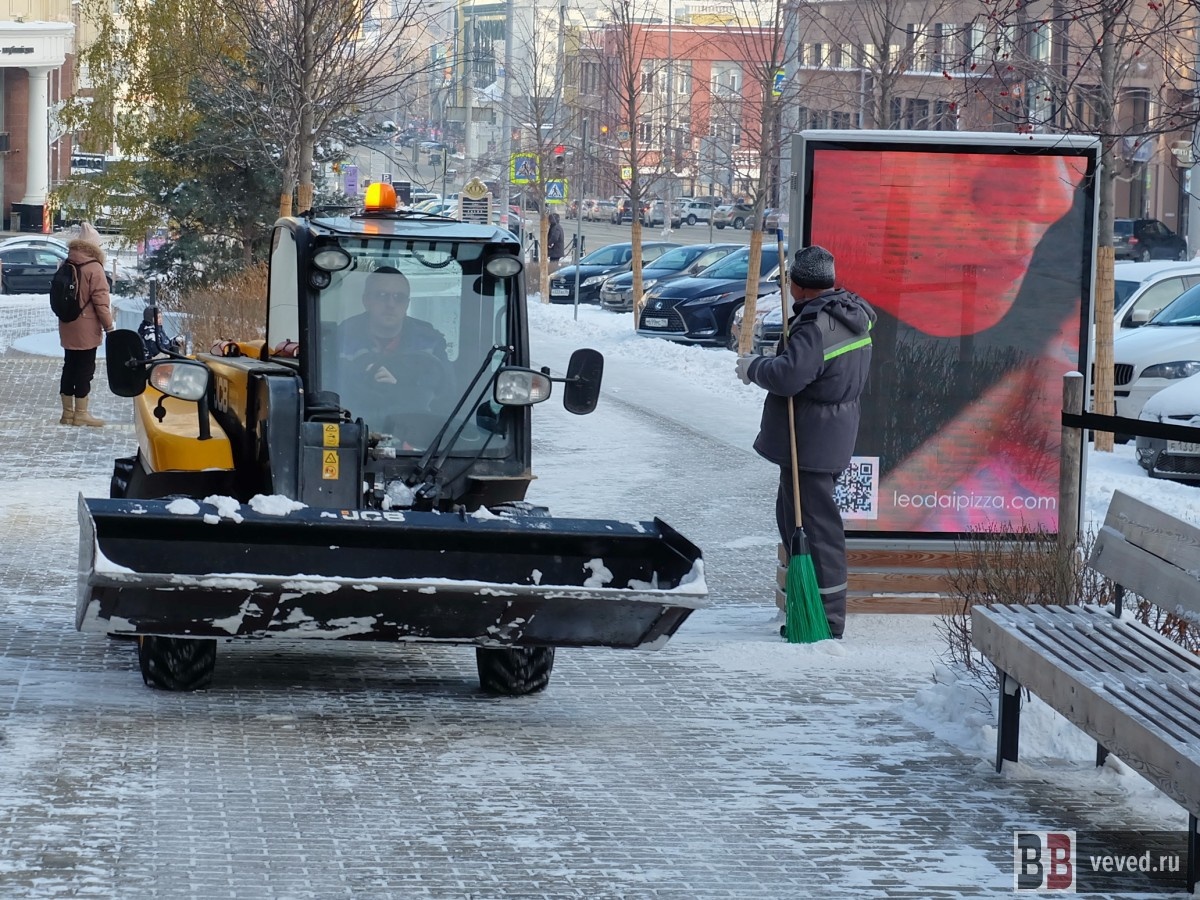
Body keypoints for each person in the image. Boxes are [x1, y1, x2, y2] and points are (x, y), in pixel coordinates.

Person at [735, 246, 876, 639]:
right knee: (795, 523)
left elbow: (789, 376)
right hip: (827, 434)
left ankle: (826, 623)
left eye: (789, 282)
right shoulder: (848, 315)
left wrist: (754, 367)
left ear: (797, 285)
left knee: (817, 532)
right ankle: (808, 611)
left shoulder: (817, 326)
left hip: (812, 440)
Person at [334, 266, 449, 421]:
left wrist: (398, 388)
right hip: (353, 427)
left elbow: (445, 398)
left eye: (399, 297)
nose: (391, 304)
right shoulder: (340, 340)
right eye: (382, 296)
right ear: (366, 300)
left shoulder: (430, 343)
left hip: (413, 428)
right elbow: (330, 392)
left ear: (407, 304)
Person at [58, 222, 114, 427]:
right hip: (86, 327)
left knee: (69, 366)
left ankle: (67, 414)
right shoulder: (94, 268)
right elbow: (101, 302)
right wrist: (109, 327)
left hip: (67, 323)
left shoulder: (67, 263)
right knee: (84, 370)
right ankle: (81, 414)